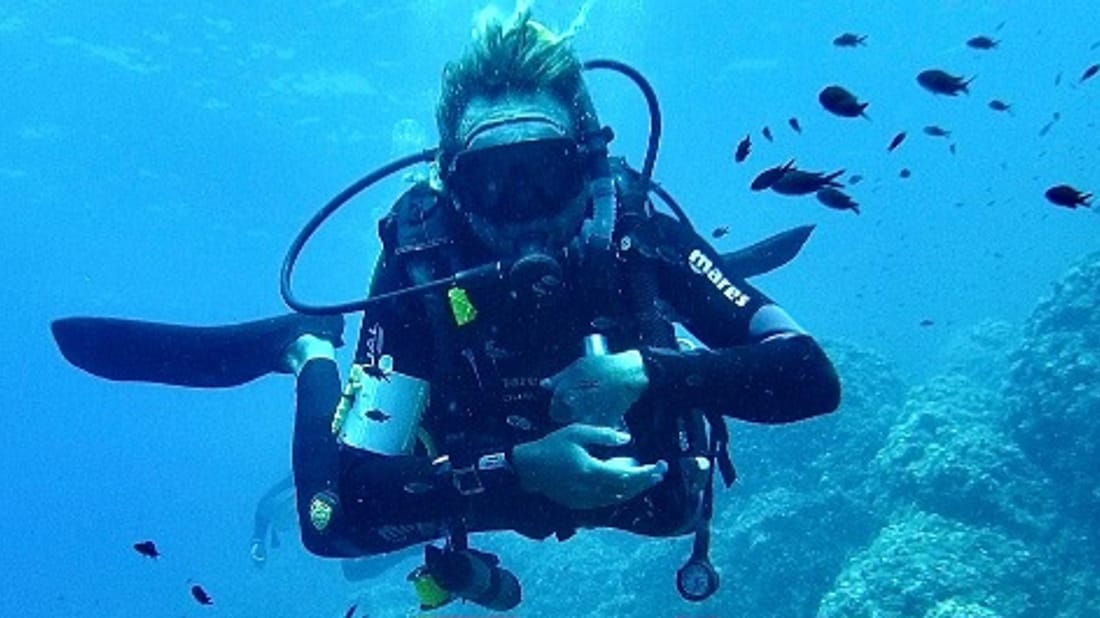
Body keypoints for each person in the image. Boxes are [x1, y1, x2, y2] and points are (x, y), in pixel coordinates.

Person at [51, 9, 839, 613]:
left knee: (674, 507)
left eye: (544, 174)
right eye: (494, 183)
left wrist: (651, 373)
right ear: (453, 187)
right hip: (482, 470)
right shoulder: (420, 266)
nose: (524, 213)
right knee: (330, 527)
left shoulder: (636, 233)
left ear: (587, 166)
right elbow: (353, 487)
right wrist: (520, 468)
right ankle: (306, 350)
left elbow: (811, 376)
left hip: (618, 466)